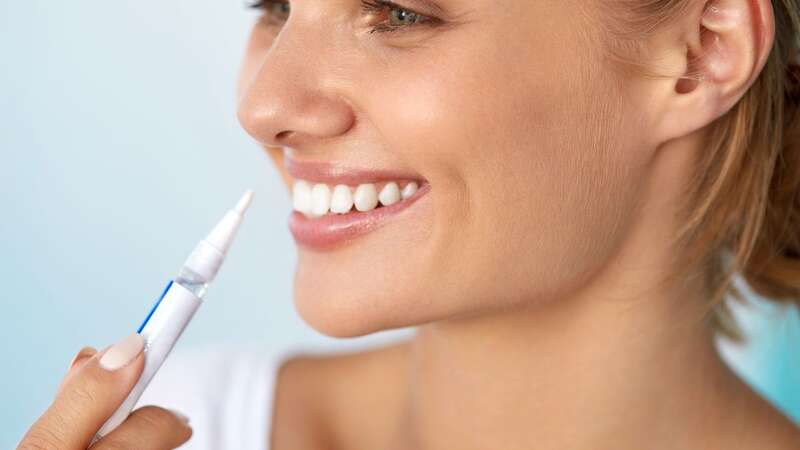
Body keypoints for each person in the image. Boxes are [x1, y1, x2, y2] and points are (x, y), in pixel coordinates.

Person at [18, 0, 800, 448]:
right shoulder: (185, 430)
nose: (264, 106)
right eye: (277, 7)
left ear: (700, 54)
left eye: (397, 12)